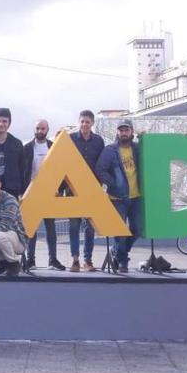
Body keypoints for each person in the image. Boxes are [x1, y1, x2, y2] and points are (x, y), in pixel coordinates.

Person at [95, 119, 141, 273]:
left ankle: (118, 253)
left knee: (137, 229)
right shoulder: (110, 150)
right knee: (120, 232)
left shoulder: (138, 149)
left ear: (131, 131)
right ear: (117, 132)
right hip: (117, 199)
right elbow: (100, 169)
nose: (123, 133)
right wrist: (113, 184)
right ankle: (122, 261)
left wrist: (144, 138)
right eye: (121, 130)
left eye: (126, 130)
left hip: (136, 197)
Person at [21, 119, 65, 270]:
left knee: (51, 229)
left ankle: (53, 260)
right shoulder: (26, 148)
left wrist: (59, 189)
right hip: (31, 193)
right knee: (31, 228)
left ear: (47, 130)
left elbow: (61, 170)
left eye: (43, 129)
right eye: (38, 128)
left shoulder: (53, 147)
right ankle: (30, 260)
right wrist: (22, 192)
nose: (40, 131)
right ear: (34, 129)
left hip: (49, 194)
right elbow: (23, 172)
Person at [68, 110, 105, 272]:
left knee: (89, 228)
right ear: (79, 122)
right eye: (82, 121)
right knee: (74, 225)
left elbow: (102, 164)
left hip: (91, 190)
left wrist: (100, 185)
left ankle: (87, 260)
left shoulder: (98, 141)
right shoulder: (70, 139)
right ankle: (75, 259)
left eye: (87, 122)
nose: (84, 124)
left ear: (92, 123)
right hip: (73, 189)